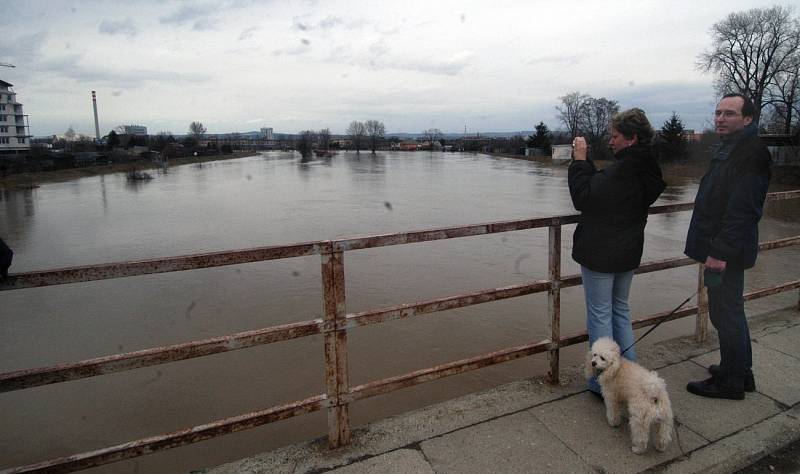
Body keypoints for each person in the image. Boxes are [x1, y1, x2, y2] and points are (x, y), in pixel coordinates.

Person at [569, 108, 666, 396]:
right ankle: (630, 376)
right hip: (628, 250)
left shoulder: (625, 169)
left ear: (631, 138)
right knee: (620, 311)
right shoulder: (647, 167)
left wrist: (580, 161)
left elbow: (583, 196)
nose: (610, 142)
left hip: (601, 252)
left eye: (614, 137)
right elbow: (607, 190)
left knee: (599, 315)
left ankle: (603, 383)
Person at [685, 93, 771, 400]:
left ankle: (731, 382)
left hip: (726, 251)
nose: (720, 118)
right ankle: (739, 372)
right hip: (724, 246)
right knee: (728, 311)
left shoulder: (751, 153)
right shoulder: (732, 148)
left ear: (747, 119)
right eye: (718, 112)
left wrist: (720, 252)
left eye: (729, 114)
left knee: (726, 314)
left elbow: (743, 209)